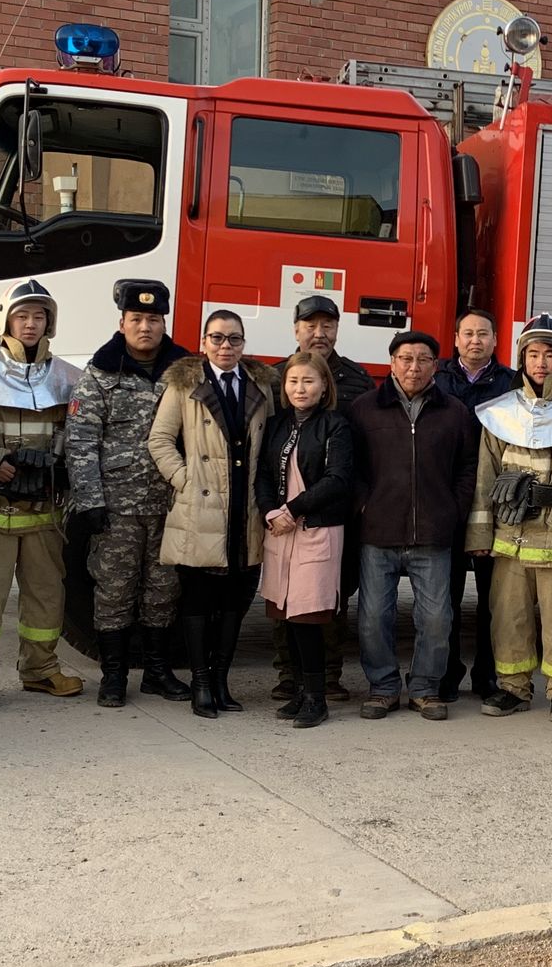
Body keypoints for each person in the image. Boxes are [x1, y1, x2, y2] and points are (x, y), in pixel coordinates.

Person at [465, 313, 552, 720]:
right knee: (510, 616)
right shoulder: (497, 414)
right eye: (532, 354)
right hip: (511, 535)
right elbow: (484, 478)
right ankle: (513, 688)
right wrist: (480, 534)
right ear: (522, 359)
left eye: (549, 354)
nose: (540, 362)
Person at [0, 279, 82, 707]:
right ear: (6, 319)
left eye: (39, 316)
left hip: (44, 510)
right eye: (22, 315)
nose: (30, 324)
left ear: (51, 321)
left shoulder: (67, 378)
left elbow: (75, 434)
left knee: (47, 594)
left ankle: (41, 669)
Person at [64, 279, 193, 707]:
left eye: (153, 319)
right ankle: (114, 675)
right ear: (122, 323)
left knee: (163, 589)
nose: (145, 327)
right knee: (114, 589)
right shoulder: (100, 374)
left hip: (171, 505)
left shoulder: (186, 372)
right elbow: (81, 441)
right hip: (116, 506)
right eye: (136, 319)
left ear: (163, 323)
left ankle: (157, 671)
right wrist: (90, 502)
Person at [149, 309, 278, 718]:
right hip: (200, 507)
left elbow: (271, 440)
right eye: (217, 338)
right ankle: (201, 683)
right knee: (198, 600)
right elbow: (160, 439)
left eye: (234, 339)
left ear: (244, 344)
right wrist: (184, 479)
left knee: (235, 600)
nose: (226, 347)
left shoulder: (259, 385)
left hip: (246, 509)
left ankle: (221, 681)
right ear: (203, 342)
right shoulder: (184, 384)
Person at [346, 330, 479, 720]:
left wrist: (453, 510)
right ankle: (383, 687)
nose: (413, 367)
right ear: (391, 363)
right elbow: (350, 466)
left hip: (434, 534)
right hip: (378, 532)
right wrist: (363, 505)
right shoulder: (365, 409)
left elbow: (468, 467)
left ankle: (425, 687)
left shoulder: (454, 412)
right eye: (405, 358)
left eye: (423, 360)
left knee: (438, 618)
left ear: (435, 366)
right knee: (373, 618)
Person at [270, 295, 376, 702]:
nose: (319, 333)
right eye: (310, 325)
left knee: (331, 593)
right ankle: (287, 674)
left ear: (337, 329)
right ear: (296, 329)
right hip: (283, 509)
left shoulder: (357, 380)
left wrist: (360, 500)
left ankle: (329, 674)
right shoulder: (277, 376)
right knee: (284, 589)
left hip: (334, 509)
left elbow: (369, 448)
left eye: (327, 325)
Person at [256, 352, 356, 729]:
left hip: (315, 528)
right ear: (284, 387)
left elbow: (337, 479)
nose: (301, 388)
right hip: (279, 530)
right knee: (286, 614)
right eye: (294, 381)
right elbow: (263, 474)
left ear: (325, 386)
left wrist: (292, 510)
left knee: (308, 615)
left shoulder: (336, 426)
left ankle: (317, 697)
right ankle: (299, 690)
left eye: (309, 381)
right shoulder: (276, 424)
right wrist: (269, 511)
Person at [435, 307, 521, 704]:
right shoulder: (437, 380)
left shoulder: (511, 383)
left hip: (496, 503)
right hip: (448, 499)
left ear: (495, 340)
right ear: (455, 339)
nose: (475, 340)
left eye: (483, 334)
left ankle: (487, 675)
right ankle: (447, 673)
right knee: (445, 598)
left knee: (493, 599)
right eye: (467, 333)